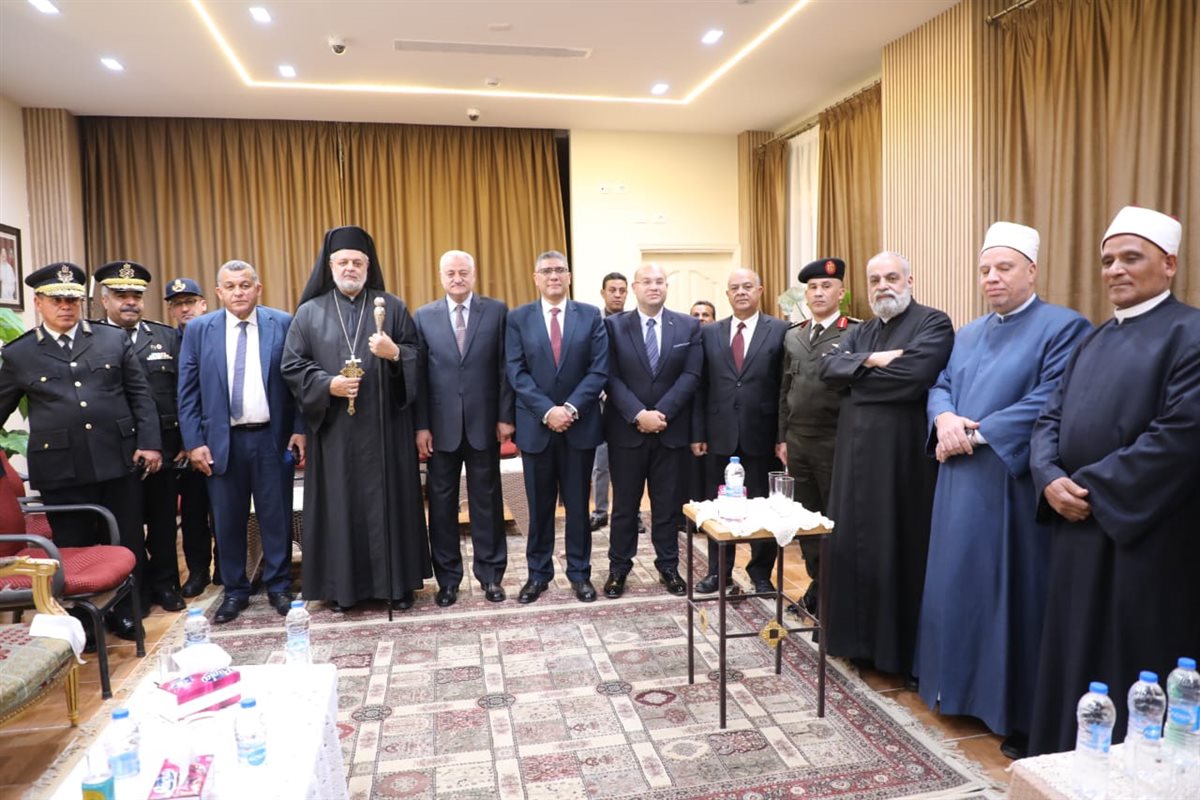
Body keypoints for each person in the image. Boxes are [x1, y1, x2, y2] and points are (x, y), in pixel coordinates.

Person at [1028, 206, 1200, 756]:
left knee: (1131, 663)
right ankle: (1063, 762)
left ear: (1169, 264)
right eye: (1107, 261)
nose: (1115, 270)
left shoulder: (1191, 333)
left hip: (1144, 535)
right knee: (1073, 655)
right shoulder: (1094, 337)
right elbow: (1048, 418)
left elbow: (1181, 437)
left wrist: (1088, 491)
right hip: (1075, 525)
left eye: (1131, 257)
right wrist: (1048, 477)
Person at [914, 224, 1090, 759]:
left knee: (1008, 596)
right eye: (985, 269)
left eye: (1004, 268)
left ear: (1031, 271)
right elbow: (941, 384)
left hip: (1009, 482)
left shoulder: (1065, 326)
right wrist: (944, 418)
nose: (992, 277)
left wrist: (974, 434)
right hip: (958, 480)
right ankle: (954, 689)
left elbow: (1052, 398)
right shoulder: (969, 332)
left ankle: (1011, 708)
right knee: (957, 586)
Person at [0, 262, 161, 642]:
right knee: (73, 545)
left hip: (118, 459)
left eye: (72, 300)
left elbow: (140, 395)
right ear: (39, 303)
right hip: (62, 470)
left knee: (127, 539)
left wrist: (149, 443)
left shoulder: (111, 340)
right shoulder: (20, 354)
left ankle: (127, 613)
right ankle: (85, 621)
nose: (65, 307)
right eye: (57, 300)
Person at [817, 251, 953, 681]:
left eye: (891, 277)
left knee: (899, 549)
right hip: (852, 461)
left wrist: (854, 378)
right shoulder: (863, 330)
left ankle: (898, 656)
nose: (882, 286)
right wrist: (875, 360)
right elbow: (827, 369)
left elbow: (913, 377)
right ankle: (856, 645)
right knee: (853, 548)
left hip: (901, 464)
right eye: (875, 279)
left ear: (910, 280)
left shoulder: (933, 323)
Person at [283, 226, 432, 612]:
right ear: (330, 266)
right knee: (341, 507)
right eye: (343, 262)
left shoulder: (391, 307)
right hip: (336, 433)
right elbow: (292, 365)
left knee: (390, 505)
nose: (350, 268)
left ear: (368, 265)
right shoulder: (309, 313)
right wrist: (327, 384)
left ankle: (396, 585)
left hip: (386, 430)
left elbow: (417, 357)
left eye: (357, 262)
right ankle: (342, 589)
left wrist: (395, 353)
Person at [178, 260, 305, 624]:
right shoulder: (199, 330)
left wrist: (299, 429)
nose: (238, 292)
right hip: (221, 443)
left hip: (271, 438)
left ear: (258, 288)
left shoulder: (282, 322)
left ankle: (279, 586)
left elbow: (297, 383)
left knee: (276, 518)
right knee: (227, 521)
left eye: (245, 285)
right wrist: (194, 442)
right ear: (219, 292)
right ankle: (235, 590)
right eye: (231, 286)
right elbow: (187, 392)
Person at [506, 250, 608, 603]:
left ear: (569, 277)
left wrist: (570, 408)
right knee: (539, 508)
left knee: (578, 507)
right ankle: (538, 575)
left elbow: (599, 369)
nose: (553, 276)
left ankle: (580, 574)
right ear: (535, 278)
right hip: (537, 428)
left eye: (559, 270)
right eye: (546, 271)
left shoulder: (590, 316)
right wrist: (548, 411)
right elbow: (515, 371)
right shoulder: (518, 318)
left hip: (579, 427)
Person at [414, 250, 514, 606]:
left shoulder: (497, 311)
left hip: (484, 424)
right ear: (441, 276)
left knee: (487, 502)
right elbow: (419, 376)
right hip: (440, 429)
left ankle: (491, 576)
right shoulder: (423, 316)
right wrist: (421, 426)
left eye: (463, 272)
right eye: (451, 273)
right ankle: (448, 580)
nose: (457, 279)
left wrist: (505, 417)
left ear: (474, 274)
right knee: (441, 506)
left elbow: (505, 368)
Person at [601, 263, 702, 598]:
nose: (654, 287)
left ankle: (668, 566)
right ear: (635, 287)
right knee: (624, 507)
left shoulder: (688, 326)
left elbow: (691, 375)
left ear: (666, 287)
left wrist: (661, 413)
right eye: (647, 281)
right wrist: (638, 414)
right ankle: (618, 568)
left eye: (660, 281)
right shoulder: (613, 327)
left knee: (667, 506)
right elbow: (609, 376)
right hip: (626, 433)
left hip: (670, 432)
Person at [94, 260, 188, 613]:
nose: (130, 302)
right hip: (114, 452)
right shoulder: (91, 339)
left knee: (163, 523)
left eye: (136, 295)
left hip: (164, 447)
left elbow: (183, 392)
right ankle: (134, 592)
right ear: (105, 300)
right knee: (125, 526)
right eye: (121, 295)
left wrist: (185, 441)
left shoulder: (166, 337)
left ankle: (166, 585)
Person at [691, 269, 788, 596]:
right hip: (719, 434)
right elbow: (701, 386)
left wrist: (782, 436)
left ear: (760, 290)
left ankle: (760, 573)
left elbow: (784, 388)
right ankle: (718, 572)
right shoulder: (709, 333)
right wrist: (698, 432)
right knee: (719, 506)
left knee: (763, 506)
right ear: (727, 294)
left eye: (748, 286)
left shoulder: (780, 330)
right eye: (735, 288)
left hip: (763, 435)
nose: (741, 292)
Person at [776, 258, 859, 617]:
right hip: (798, 442)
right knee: (805, 518)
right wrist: (782, 437)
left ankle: (836, 592)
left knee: (834, 518)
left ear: (841, 293)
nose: (819, 293)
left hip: (835, 440)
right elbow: (785, 389)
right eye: (812, 287)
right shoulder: (793, 335)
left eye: (827, 286)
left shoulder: (854, 333)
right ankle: (818, 584)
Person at [164, 277, 218, 596]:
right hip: (185, 447)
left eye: (190, 302)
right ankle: (198, 571)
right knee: (194, 512)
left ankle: (227, 568)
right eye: (177, 304)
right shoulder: (165, 343)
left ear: (203, 304)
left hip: (222, 439)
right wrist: (188, 440)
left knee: (225, 510)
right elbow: (172, 396)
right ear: (171, 310)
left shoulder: (219, 335)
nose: (185, 309)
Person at [589, 272, 627, 531]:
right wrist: (601, 390)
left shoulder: (633, 322)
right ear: (603, 293)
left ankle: (632, 512)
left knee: (629, 465)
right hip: (598, 403)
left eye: (622, 290)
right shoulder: (593, 322)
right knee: (600, 464)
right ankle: (600, 511)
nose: (617, 295)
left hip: (626, 404)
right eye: (612, 290)